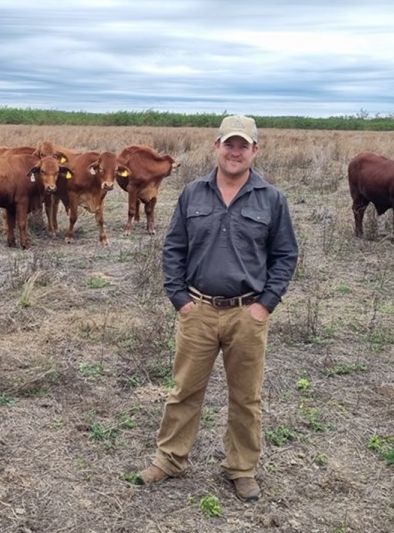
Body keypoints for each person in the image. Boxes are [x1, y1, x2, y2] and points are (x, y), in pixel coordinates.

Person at [135, 114, 298, 502]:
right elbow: (173, 249)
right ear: (217, 146)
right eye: (229, 144)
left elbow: (285, 255)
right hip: (199, 312)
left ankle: (241, 468)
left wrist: (265, 305)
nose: (235, 152)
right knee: (184, 391)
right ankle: (170, 460)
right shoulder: (193, 193)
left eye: (243, 145)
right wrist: (180, 300)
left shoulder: (272, 199)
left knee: (246, 397)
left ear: (255, 150)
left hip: (247, 314)